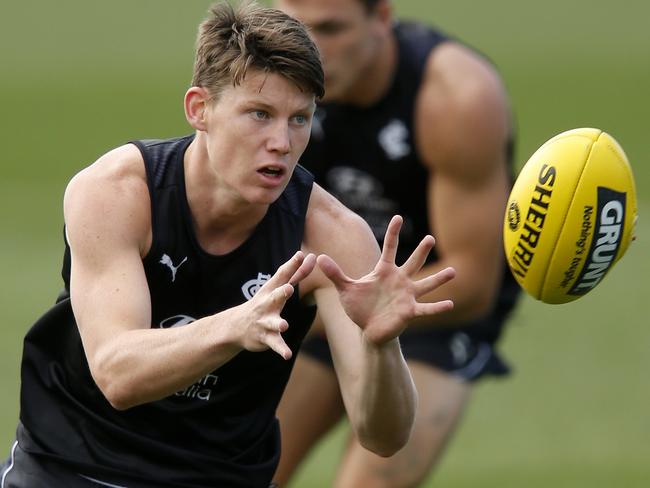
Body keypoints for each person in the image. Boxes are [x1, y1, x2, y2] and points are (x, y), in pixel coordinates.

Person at [0, 2, 457, 487]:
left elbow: (383, 436)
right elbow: (118, 374)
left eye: (299, 119)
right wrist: (236, 324)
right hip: (70, 469)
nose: (281, 141)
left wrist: (382, 346)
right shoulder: (117, 192)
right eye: (259, 114)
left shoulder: (330, 235)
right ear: (200, 109)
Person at [272, 0, 521, 486]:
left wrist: (327, 309)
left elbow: (471, 281)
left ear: (381, 18)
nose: (311, 51)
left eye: (330, 29)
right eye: (295, 28)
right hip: (328, 298)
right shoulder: (278, 84)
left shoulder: (456, 97)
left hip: (433, 314)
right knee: (234, 469)